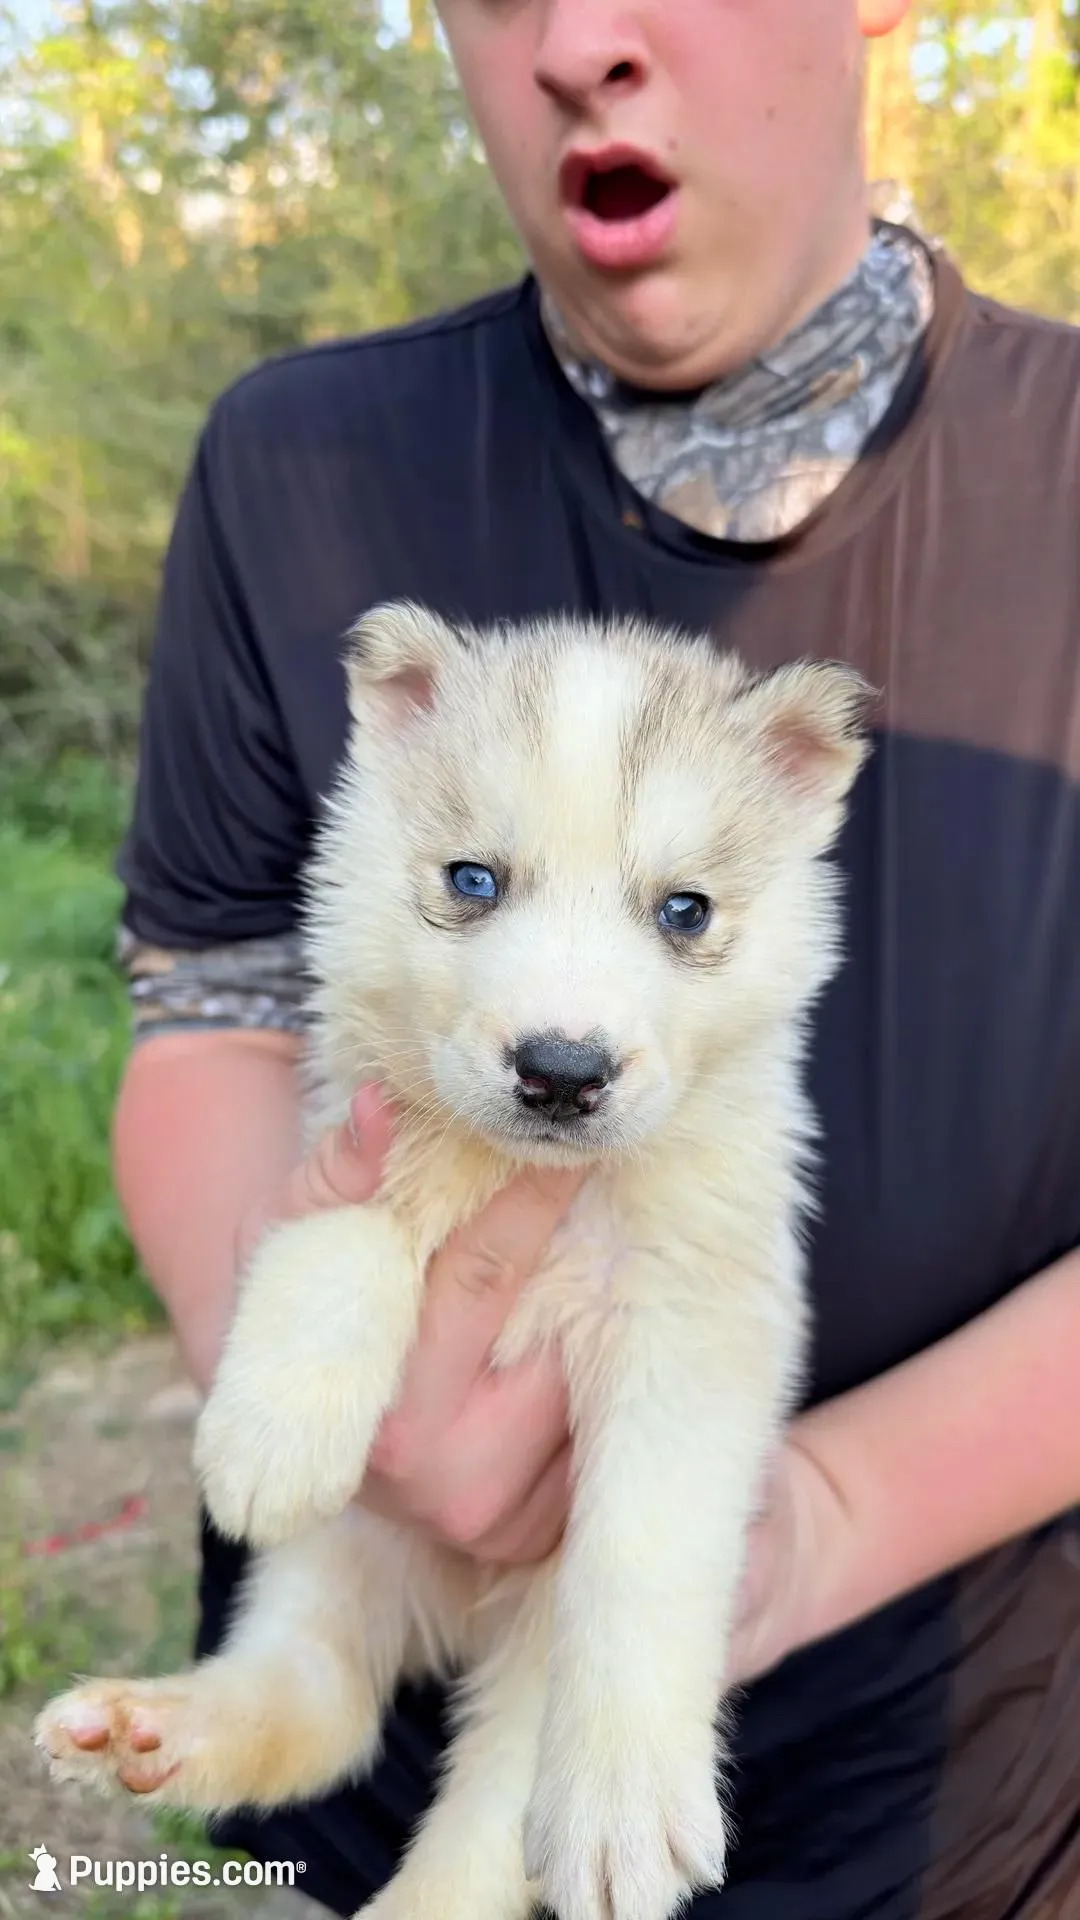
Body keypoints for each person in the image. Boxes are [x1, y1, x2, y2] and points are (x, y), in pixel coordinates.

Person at [113, 0, 1080, 1913]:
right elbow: (210, 1008)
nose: (574, 37)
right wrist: (326, 1389)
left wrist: (814, 1516)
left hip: (953, 1793)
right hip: (355, 1797)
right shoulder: (290, 457)